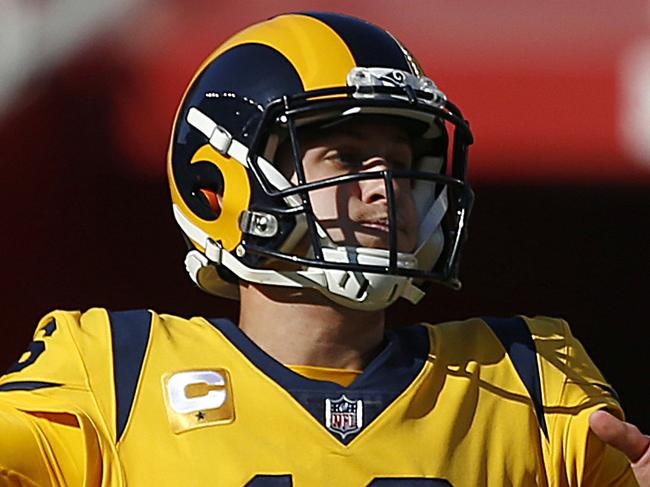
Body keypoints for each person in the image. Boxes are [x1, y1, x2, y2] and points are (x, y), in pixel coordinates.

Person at [0, 11, 648, 486]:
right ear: (220, 182)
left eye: (397, 162)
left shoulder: (529, 377)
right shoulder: (112, 374)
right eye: (345, 155)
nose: (383, 188)